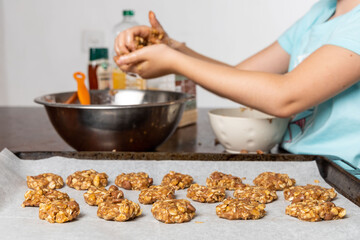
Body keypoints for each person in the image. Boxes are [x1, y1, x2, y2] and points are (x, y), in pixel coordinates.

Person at [114, 0, 360, 167]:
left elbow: (286, 97)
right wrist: (172, 48)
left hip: (347, 178)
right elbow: (240, 76)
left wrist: (173, 61)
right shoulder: (322, 11)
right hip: (303, 165)